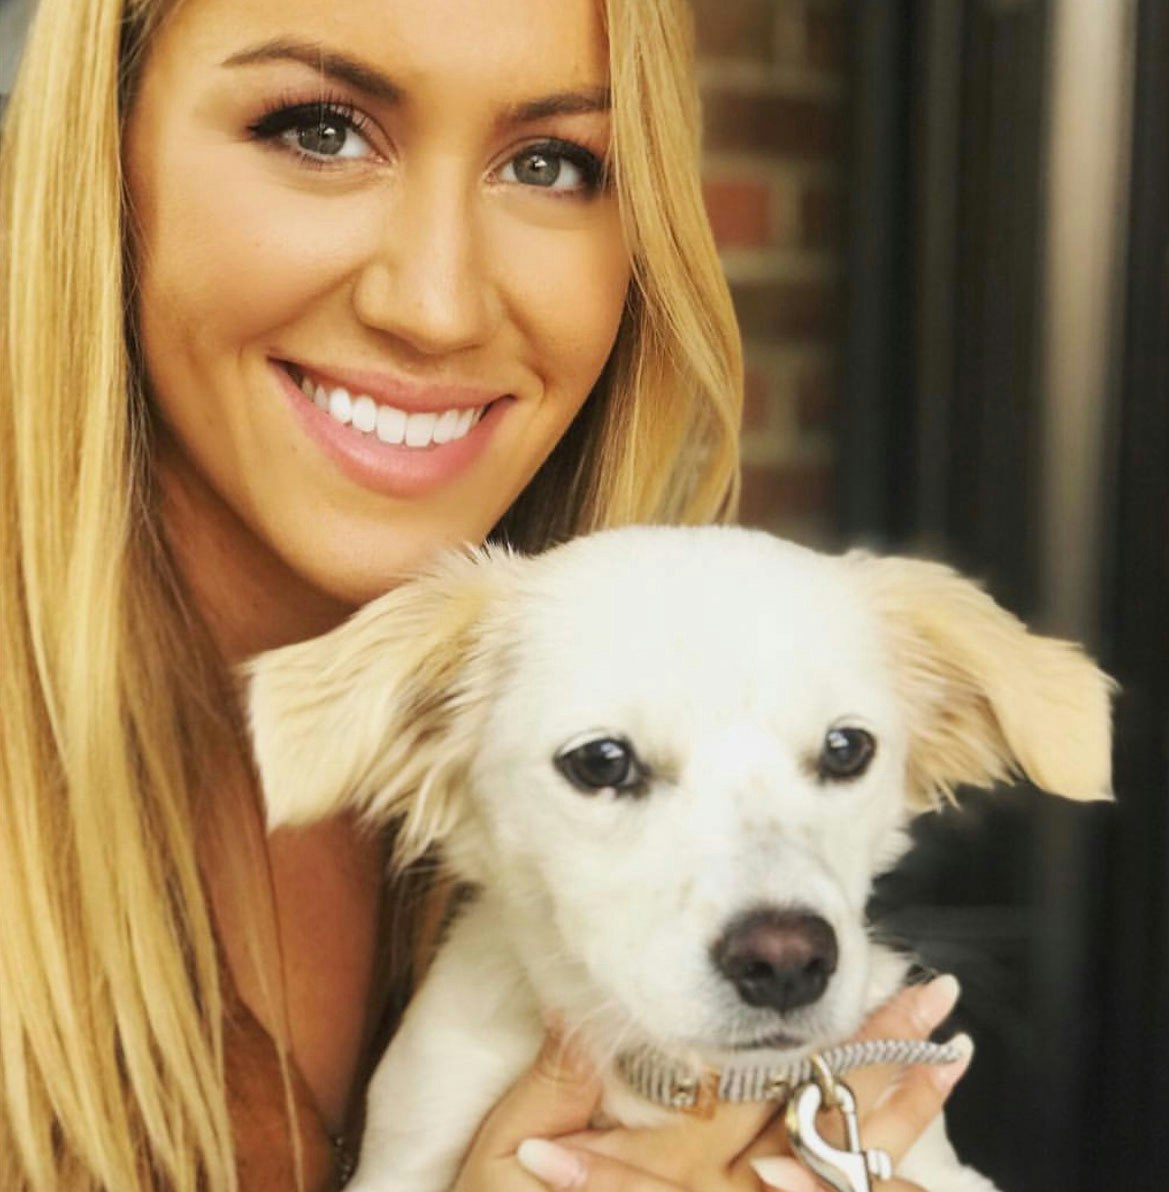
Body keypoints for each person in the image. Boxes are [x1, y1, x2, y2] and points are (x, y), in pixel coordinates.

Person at [0, 0, 971, 1188]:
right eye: (317, 130)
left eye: (551, 162)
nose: (436, 303)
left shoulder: (661, 649)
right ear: (97, 150)